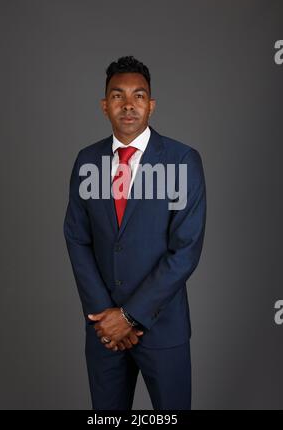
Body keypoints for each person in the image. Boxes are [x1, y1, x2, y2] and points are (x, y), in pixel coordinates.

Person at [63, 56, 206, 410]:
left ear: (151, 105)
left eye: (138, 96)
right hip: (104, 334)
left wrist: (128, 317)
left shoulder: (182, 159)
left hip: (163, 328)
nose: (128, 105)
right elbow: (77, 238)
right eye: (118, 96)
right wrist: (104, 316)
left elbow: (185, 250)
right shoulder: (86, 161)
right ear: (104, 106)